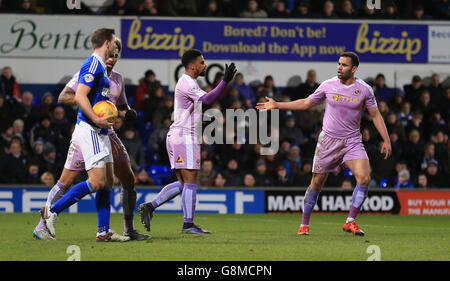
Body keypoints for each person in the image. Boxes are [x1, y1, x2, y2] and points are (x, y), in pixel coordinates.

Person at [257, 52, 391, 236]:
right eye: (338, 63)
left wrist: (386, 139)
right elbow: (305, 103)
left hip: (352, 141)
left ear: (354, 69)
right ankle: (304, 224)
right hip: (328, 142)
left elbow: (375, 115)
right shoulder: (328, 85)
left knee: (364, 178)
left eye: (344, 65)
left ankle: (350, 221)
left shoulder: (365, 89)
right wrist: (278, 105)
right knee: (317, 183)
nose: (339, 67)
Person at [34, 37, 149, 242]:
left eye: (116, 55)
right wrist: (89, 102)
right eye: (110, 54)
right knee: (67, 181)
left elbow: (120, 107)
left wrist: (127, 113)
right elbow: (64, 96)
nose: (112, 59)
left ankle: (117, 230)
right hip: (89, 130)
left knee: (125, 178)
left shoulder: (118, 80)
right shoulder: (88, 72)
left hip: (107, 133)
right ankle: (43, 223)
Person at [138, 49, 237, 234]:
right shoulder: (187, 83)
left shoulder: (190, 83)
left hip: (179, 135)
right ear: (192, 66)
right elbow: (208, 99)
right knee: (191, 181)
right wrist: (224, 82)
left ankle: (150, 206)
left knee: (184, 184)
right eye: (202, 62)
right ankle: (188, 225)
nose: (204, 65)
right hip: (184, 135)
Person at [38, 28, 121, 241]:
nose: (114, 47)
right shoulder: (92, 64)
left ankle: (103, 231)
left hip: (100, 130)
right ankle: (52, 211)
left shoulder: (101, 67)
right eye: (113, 42)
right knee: (96, 182)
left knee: (107, 181)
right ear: (106, 42)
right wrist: (95, 117)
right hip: (90, 129)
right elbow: (79, 95)